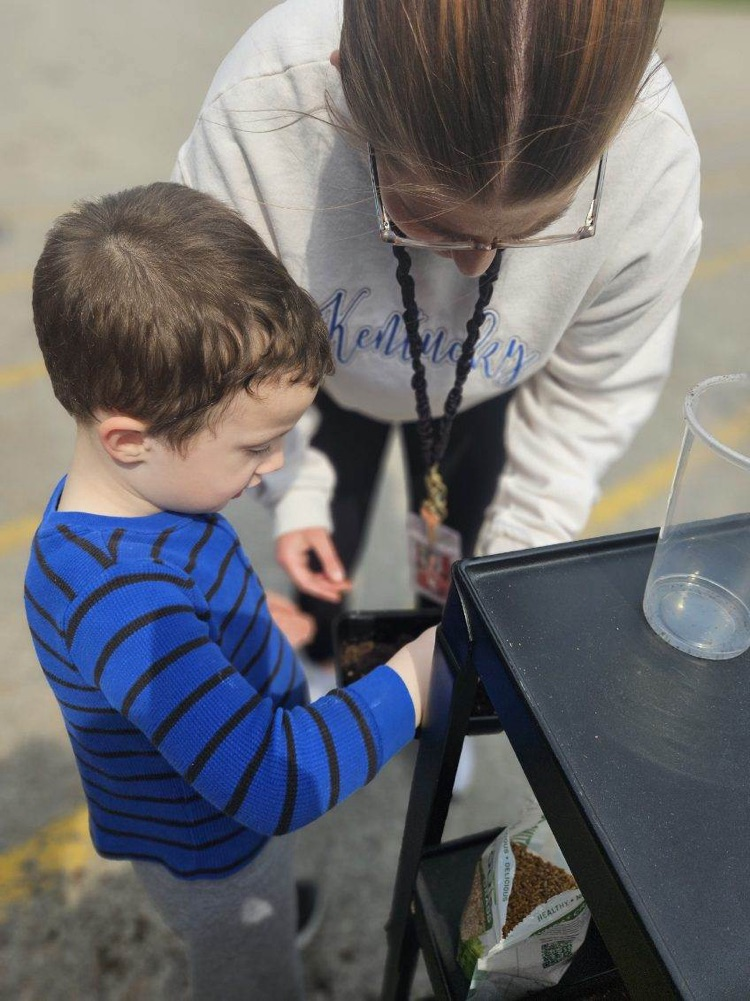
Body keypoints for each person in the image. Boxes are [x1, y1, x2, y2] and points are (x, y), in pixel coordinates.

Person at [173, 0, 702, 784]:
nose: (474, 267)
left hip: (483, 394)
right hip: (315, 382)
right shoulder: (259, 111)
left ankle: (442, 685)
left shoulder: (651, 158)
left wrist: (514, 560)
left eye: (534, 229)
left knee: (465, 550)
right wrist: (299, 491)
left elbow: (594, 388)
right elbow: (227, 359)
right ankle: (321, 660)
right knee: (326, 544)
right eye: (424, 220)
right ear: (346, 78)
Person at [24, 181, 436, 1001]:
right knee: (251, 974)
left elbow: (183, 606)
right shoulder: (128, 604)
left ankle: (274, 912)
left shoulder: (135, 507)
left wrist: (248, 623)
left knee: (267, 907)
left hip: (218, 816)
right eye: (258, 444)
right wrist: (413, 684)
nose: (275, 465)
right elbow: (275, 780)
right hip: (215, 851)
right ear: (130, 439)